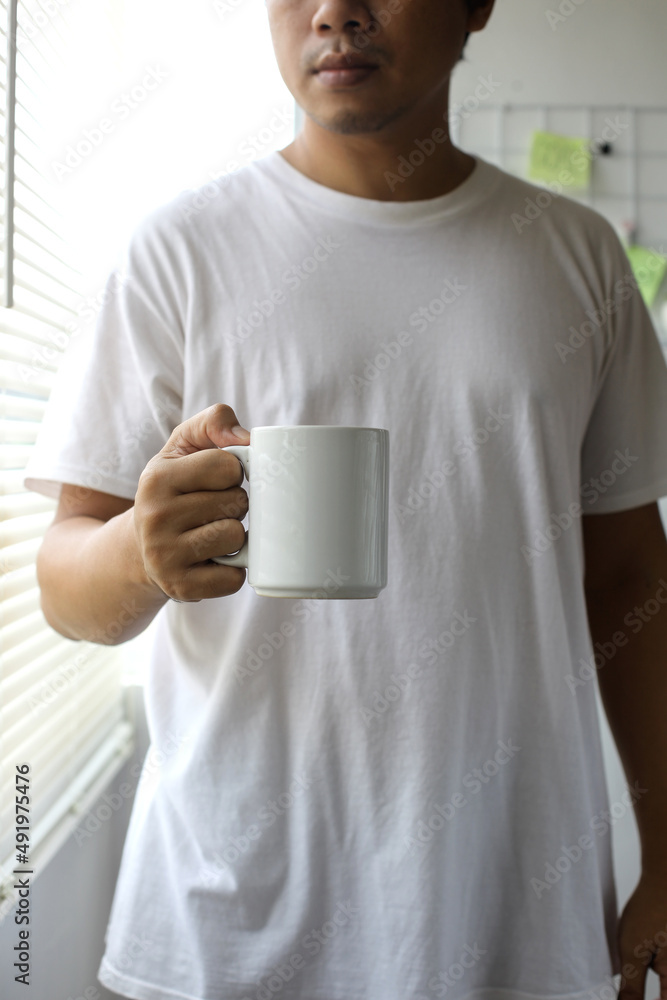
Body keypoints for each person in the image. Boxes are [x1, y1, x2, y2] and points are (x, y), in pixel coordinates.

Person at [23, 0, 667, 998]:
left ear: (475, 7)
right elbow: (66, 588)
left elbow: (630, 579)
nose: (335, 13)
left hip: (512, 913)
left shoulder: (576, 258)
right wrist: (138, 553)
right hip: (230, 923)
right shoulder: (176, 252)